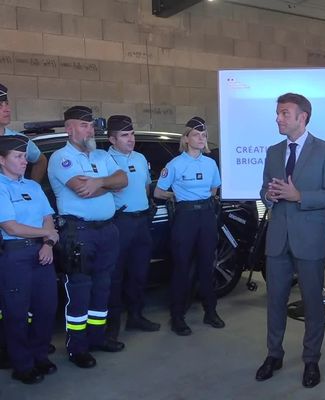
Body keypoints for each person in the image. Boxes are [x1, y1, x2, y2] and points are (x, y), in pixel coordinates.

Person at [255, 93, 325, 388]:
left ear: (302, 117)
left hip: (310, 240)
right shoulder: (272, 152)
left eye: (284, 113)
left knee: (312, 304)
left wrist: (300, 196)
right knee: (275, 301)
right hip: (278, 239)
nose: (278, 118)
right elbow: (264, 191)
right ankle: (273, 354)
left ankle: (311, 361)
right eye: (277, 113)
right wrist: (268, 195)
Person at [48, 106, 127, 369]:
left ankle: (97, 338)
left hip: (107, 230)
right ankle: (77, 347)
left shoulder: (102, 155)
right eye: (84, 126)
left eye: (91, 125)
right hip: (78, 232)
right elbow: (82, 190)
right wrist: (105, 184)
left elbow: (123, 179)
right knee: (79, 290)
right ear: (69, 129)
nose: (90, 130)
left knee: (103, 286)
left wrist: (98, 182)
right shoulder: (61, 158)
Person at [154, 116, 224, 336]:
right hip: (185, 216)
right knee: (182, 267)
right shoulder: (175, 164)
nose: (201, 139)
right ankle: (177, 316)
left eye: (204, 135)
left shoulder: (210, 163)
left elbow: (214, 190)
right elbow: (158, 192)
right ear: (186, 139)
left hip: (206, 215)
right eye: (196, 135)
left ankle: (210, 311)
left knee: (206, 266)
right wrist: (177, 195)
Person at [0, 135, 59, 384]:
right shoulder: (1, 187)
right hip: (15, 256)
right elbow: (11, 227)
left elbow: (48, 217)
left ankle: (39, 355)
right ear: (2, 160)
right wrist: (47, 234)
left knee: (46, 308)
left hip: (42, 253)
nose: (25, 161)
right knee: (17, 313)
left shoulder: (33, 186)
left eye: (25, 156)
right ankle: (22, 364)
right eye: (18, 156)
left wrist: (47, 243)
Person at [105, 115, 160, 342]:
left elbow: (147, 187)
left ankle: (136, 316)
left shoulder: (139, 158)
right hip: (120, 222)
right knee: (115, 276)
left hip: (141, 221)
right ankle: (112, 327)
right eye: (125, 135)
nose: (131, 139)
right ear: (112, 139)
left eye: (132, 134)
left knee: (139, 272)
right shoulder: (106, 161)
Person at [0, 83, 47, 183]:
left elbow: (40, 160)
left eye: (7, 104)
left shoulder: (19, 139)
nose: (7, 110)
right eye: (0, 106)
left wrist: (33, 187)